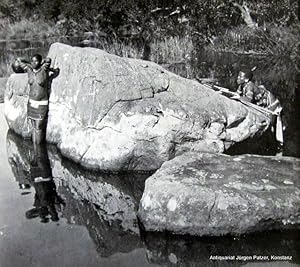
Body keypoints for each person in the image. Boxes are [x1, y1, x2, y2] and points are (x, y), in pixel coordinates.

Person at [13, 54, 59, 147]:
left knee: (38, 127)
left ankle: (38, 151)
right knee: (34, 127)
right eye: (32, 61)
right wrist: (30, 63)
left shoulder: (44, 69)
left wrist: (42, 63)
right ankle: (35, 149)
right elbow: (19, 60)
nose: (34, 63)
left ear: (40, 61)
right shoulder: (29, 70)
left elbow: (48, 60)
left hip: (41, 103)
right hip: (31, 103)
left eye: (36, 61)